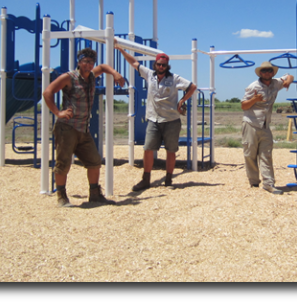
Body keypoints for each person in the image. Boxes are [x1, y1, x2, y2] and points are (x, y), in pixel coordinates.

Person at [43, 47, 126, 207]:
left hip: (83, 128)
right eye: (85, 61)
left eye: (91, 62)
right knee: (63, 163)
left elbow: (102, 67)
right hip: (67, 128)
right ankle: (61, 196)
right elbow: (48, 92)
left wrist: (115, 73)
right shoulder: (69, 77)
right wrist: (57, 112)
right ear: (79, 62)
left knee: (94, 161)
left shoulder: (92, 76)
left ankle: (94, 195)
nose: (89, 65)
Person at [116, 45, 196, 191]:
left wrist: (182, 101)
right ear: (155, 64)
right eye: (159, 64)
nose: (161, 66)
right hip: (153, 119)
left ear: (167, 66)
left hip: (171, 120)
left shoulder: (174, 78)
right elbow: (134, 62)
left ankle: (168, 179)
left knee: (171, 150)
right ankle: (145, 179)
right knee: (148, 149)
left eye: (164, 65)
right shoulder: (149, 75)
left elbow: (192, 86)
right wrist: (121, 51)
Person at [241, 61, 294, 195]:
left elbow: (289, 75)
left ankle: (269, 183)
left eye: (269, 71)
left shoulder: (276, 83)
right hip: (251, 123)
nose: (267, 73)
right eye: (264, 71)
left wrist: (288, 81)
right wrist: (255, 99)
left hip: (265, 124)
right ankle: (253, 181)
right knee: (250, 153)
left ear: (273, 72)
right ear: (260, 73)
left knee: (266, 154)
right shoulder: (253, 86)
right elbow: (243, 106)